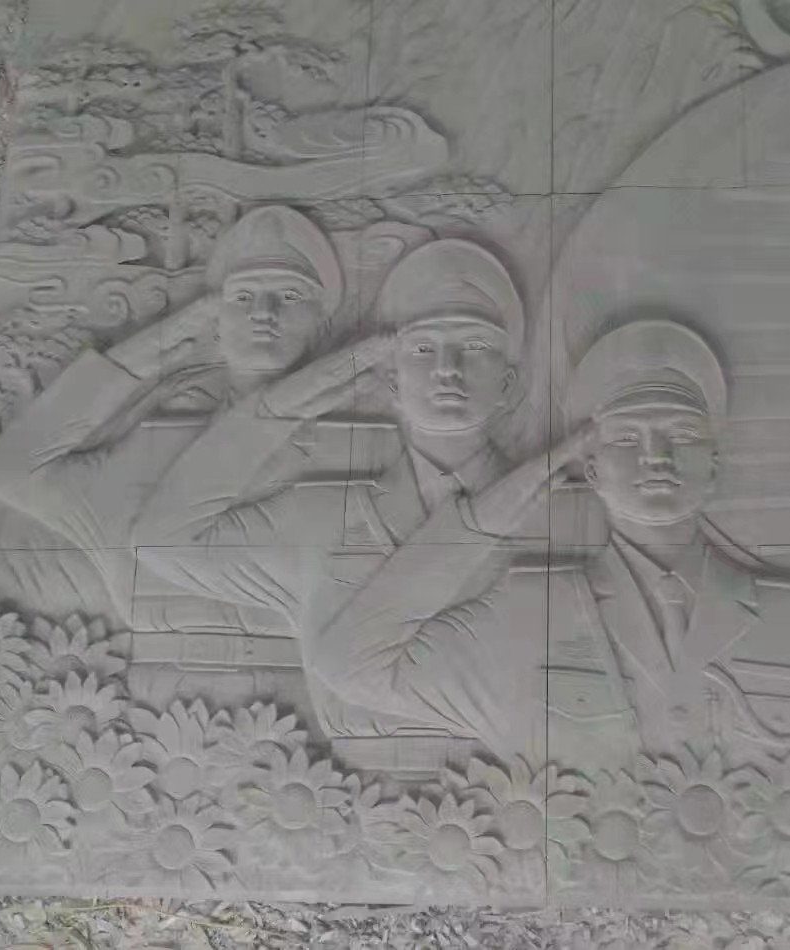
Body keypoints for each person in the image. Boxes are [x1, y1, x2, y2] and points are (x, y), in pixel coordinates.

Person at [131, 238, 586, 752]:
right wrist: (286, 405)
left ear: (507, 383)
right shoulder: (320, 516)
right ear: (390, 381)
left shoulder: (567, 517)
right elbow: (161, 538)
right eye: (422, 349)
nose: (448, 367)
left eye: (475, 347)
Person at [0, 205, 375, 634]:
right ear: (215, 321)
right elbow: (8, 470)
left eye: (290, 296)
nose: (264, 311)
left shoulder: (361, 444)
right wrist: (143, 355)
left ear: (321, 322)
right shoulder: (143, 452)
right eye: (242, 297)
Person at [551, 319, 790, 772]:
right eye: (629, 438)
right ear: (592, 470)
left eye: (683, 435)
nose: (657, 456)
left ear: (714, 465)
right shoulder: (535, 614)